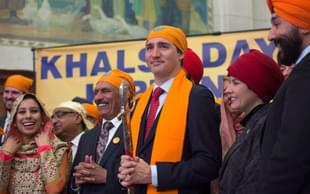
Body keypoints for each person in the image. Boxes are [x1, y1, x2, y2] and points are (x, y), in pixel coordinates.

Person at [118, 25, 221, 194]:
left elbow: (208, 164)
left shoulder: (197, 97)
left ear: (181, 54)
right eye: (149, 48)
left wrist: (153, 174)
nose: (155, 54)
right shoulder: (140, 102)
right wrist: (127, 170)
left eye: (164, 46)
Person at [258, 0, 310, 193]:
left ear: (305, 25)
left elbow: (291, 158)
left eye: (277, 23)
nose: (270, 35)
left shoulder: (305, 75)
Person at [218, 49, 283, 194]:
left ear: (257, 87)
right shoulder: (252, 125)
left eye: (235, 83)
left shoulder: (265, 126)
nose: (227, 90)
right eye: (227, 82)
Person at [69, 69, 135, 194]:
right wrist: (76, 182)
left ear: (124, 95)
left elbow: (143, 179)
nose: (98, 97)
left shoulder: (135, 131)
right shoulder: (87, 137)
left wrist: (107, 177)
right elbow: (72, 186)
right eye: (96, 92)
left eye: (105, 91)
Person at [0, 93, 70, 193]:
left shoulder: (58, 149)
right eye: (22, 112)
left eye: (34, 111)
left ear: (42, 118)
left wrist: (45, 149)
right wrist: (5, 156)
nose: (28, 116)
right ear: (14, 120)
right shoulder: (5, 150)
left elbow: (54, 189)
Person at [0, 74, 33, 145]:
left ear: (25, 96)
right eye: (6, 92)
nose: (9, 96)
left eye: (14, 92)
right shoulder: (1, 122)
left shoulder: (32, 123)